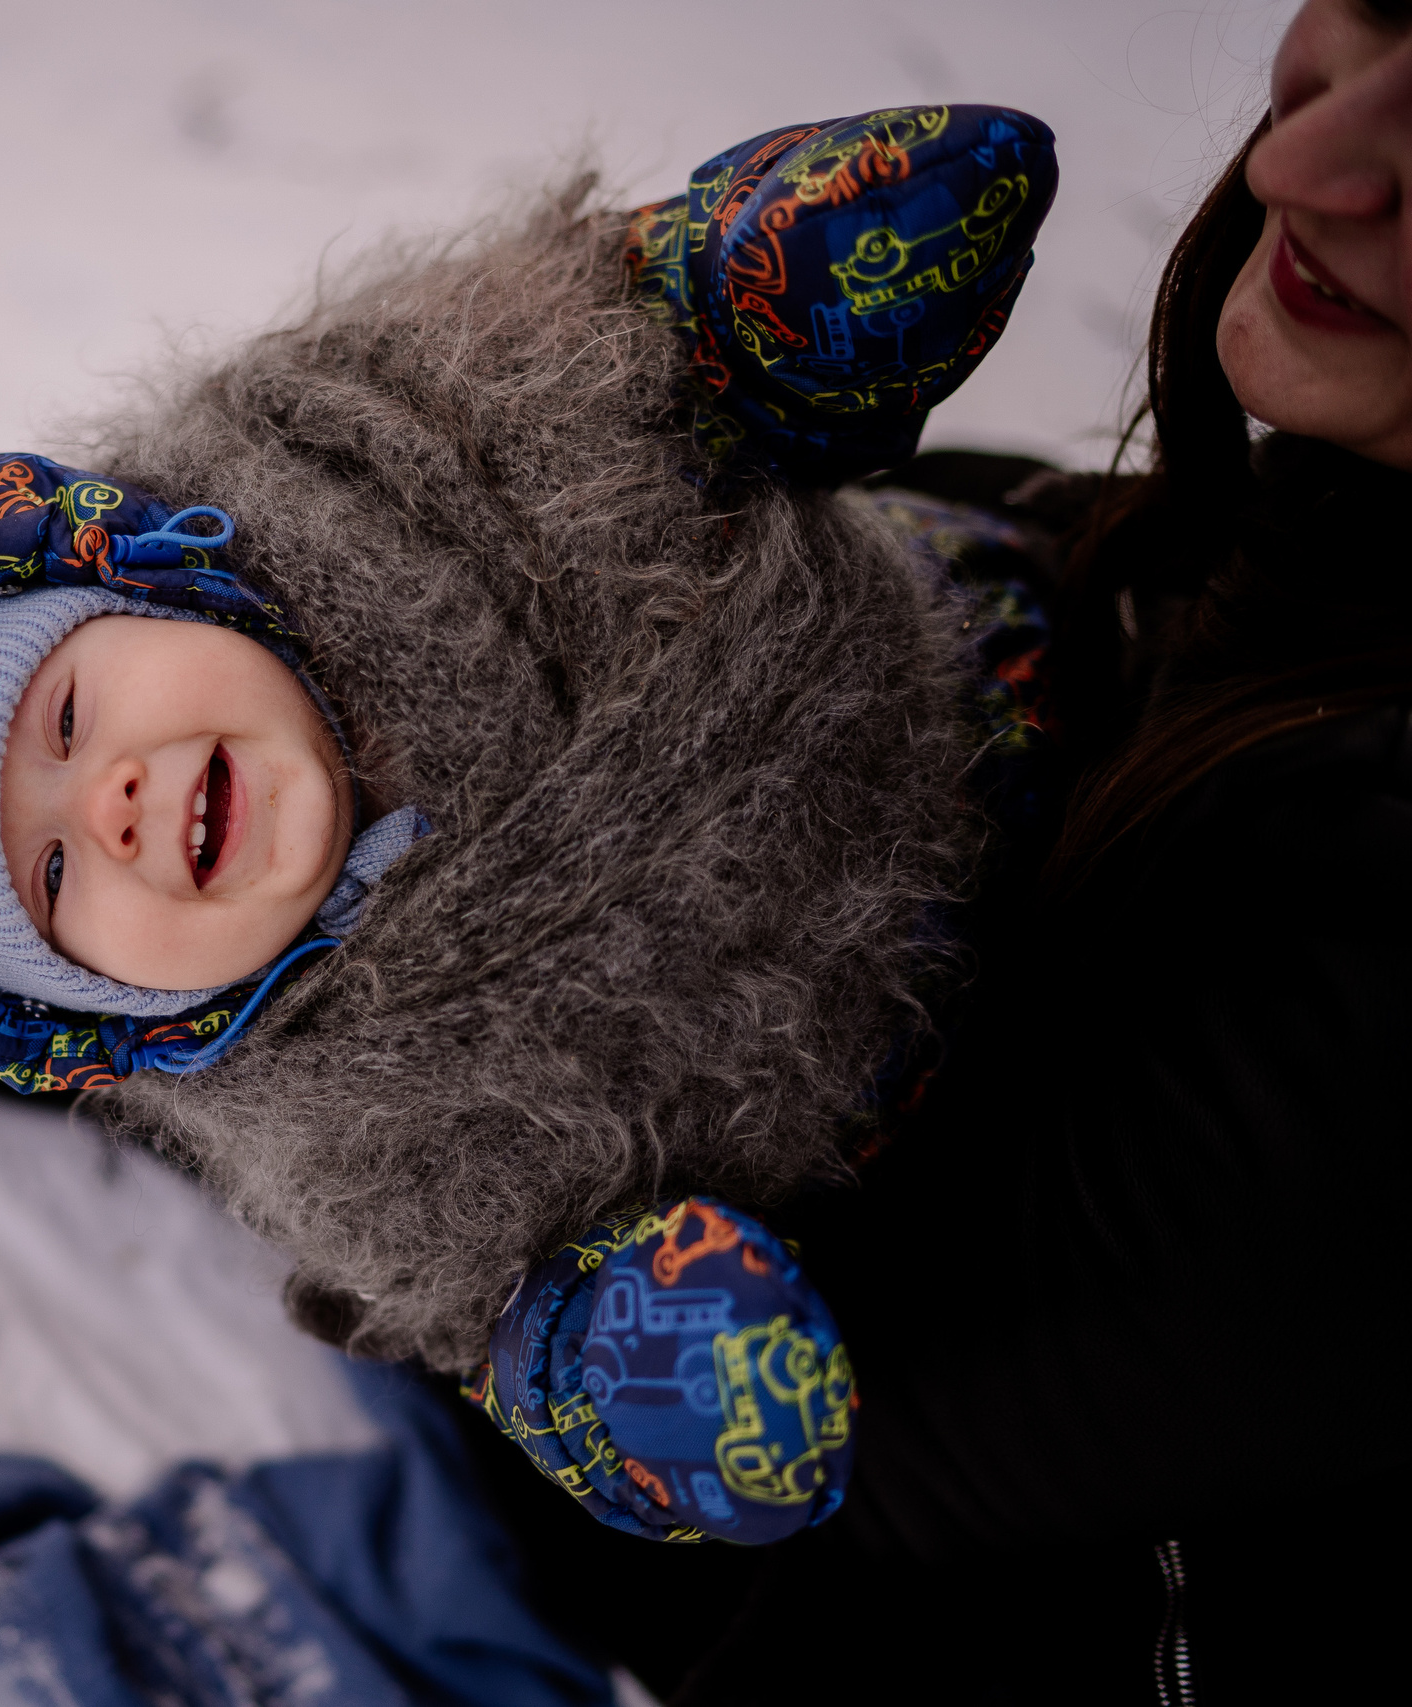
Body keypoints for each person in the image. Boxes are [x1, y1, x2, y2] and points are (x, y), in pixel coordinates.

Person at [0, 109, 1062, 1550]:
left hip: (969, 636)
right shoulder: (363, 1130)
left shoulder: (383, 449)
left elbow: (617, 337)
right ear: (98, 1013)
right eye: (48, 876)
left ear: (137, 574)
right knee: (43, 1021)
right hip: (923, 1069)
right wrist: (623, 1356)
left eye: (64, 720)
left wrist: (753, 308)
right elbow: (495, 1293)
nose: (107, 803)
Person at [468, 5, 1412, 1701]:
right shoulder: (1343, 519)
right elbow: (1087, 594)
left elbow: (822, 1443)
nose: (1305, 159)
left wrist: (295, 1030)